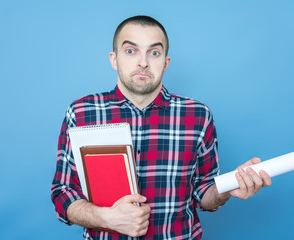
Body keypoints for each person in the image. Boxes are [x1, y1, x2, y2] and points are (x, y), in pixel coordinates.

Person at [51, 15, 272, 240]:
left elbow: (204, 193)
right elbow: (62, 193)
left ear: (165, 63)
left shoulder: (198, 115)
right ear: (114, 59)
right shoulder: (81, 113)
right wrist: (106, 218)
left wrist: (227, 188)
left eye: (154, 53)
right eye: (130, 51)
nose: (143, 62)